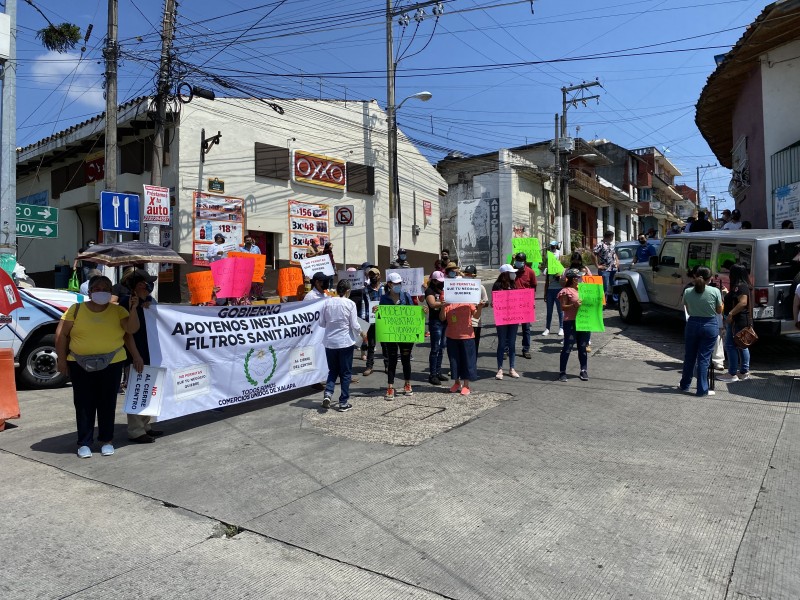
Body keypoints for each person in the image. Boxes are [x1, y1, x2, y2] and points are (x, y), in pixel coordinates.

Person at [55, 275, 140, 458]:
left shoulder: (118, 311)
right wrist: (61, 359)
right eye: (97, 288)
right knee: (84, 403)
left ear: (111, 293)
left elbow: (131, 331)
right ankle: (84, 442)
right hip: (79, 363)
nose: (101, 291)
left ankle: (106, 440)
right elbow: (61, 335)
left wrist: (133, 309)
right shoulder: (76, 309)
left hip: (113, 362)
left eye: (106, 288)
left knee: (107, 403)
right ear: (90, 291)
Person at [118, 269, 164, 443]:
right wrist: (135, 355)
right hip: (135, 354)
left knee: (150, 391)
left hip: (151, 353)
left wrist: (148, 303)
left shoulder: (149, 302)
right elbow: (127, 333)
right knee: (137, 391)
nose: (149, 287)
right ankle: (136, 430)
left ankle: (146, 426)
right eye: (146, 283)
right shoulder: (125, 302)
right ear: (138, 285)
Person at [319, 279, 368, 412]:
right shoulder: (350, 304)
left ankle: (328, 393)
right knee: (345, 373)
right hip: (345, 342)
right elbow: (354, 324)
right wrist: (362, 333)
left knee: (333, 370)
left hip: (330, 342)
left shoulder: (327, 302)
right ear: (347, 291)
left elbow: (321, 323)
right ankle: (343, 402)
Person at [679, 266, 723, 397]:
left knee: (689, 356)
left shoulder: (688, 291)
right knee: (704, 358)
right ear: (710, 278)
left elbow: (687, 307)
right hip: (709, 324)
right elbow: (719, 311)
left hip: (692, 323)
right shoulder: (715, 291)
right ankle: (702, 389)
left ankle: (685, 385)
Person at [380, 272, 417, 399]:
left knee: (406, 359)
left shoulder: (406, 296)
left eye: (400, 283)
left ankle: (407, 384)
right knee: (392, 359)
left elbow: (413, 313)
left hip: (405, 333)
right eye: (396, 283)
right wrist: (377, 311)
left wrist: (422, 311)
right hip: (390, 333)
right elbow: (381, 317)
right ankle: (390, 387)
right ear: (389, 284)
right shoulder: (384, 299)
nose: (398, 285)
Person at [718, 264, 751, 383]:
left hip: (737, 320)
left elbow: (742, 302)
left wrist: (731, 314)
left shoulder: (741, 286)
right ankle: (743, 371)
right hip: (740, 320)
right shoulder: (742, 286)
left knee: (731, 346)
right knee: (742, 345)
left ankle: (732, 373)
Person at [441, 297, 481, 396]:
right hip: (451, 336)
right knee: (454, 361)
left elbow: (476, 316)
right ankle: (457, 383)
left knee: (467, 361)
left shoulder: (467, 301)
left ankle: (466, 385)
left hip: (467, 336)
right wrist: (442, 307)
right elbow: (442, 318)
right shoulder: (448, 301)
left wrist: (480, 307)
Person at [557, 268, 589, 382]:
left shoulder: (584, 289)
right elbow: (563, 307)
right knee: (567, 347)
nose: (580, 279)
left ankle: (583, 370)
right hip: (570, 321)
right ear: (573, 279)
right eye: (578, 277)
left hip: (584, 321)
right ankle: (562, 372)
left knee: (582, 347)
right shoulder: (566, 291)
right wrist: (574, 305)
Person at [493, 264, 520, 380]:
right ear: (505, 274)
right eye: (512, 272)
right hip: (502, 319)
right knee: (502, 343)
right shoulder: (497, 285)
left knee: (512, 344)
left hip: (513, 318)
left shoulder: (514, 284)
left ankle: (512, 368)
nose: (514, 274)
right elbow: (495, 301)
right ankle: (500, 369)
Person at [512, 251, 537, 359]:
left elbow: (533, 287)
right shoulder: (511, 271)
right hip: (513, 303)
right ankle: (507, 348)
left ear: (524, 262)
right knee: (511, 327)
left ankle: (526, 349)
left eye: (521, 261)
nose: (519, 262)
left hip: (526, 303)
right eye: (517, 260)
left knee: (526, 328)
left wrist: (532, 301)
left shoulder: (530, 272)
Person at [425, 270, 447, 385]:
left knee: (442, 347)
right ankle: (432, 374)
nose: (441, 283)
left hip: (444, 320)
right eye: (439, 281)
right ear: (433, 281)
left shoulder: (443, 290)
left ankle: (438, 372)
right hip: (435, 322)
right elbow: (432, 304)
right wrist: (444, 303)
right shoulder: (430, 290)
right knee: (435, 348)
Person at [361, 267, 383, 377]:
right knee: (371, 344)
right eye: (370, 275)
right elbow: (364, 307)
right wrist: (364, 324)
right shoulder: (365, 290)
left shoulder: (385, 288)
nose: (372, 277)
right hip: (371, 320)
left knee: (386, 344)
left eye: (374, 275)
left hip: (384, 320)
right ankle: (369, 366)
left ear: (379, 276)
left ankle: (388, 365)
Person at [462, 265, 488, 352]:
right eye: (466, 274)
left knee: (474, 346)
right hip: (461, 321)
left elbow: (486, 302)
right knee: (463, 347)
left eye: (470, 274)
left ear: (474, 275)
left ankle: (473, 364)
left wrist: (479, 305)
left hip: (475, 322)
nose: (468, 276)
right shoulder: (459, 287)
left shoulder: (480, 287)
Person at [542, 241, 564, 337]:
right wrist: (545, 293)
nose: (553, 248)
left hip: (559, 289)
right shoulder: (548, 269)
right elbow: (547, 282)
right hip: (550, 290)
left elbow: (564, 282)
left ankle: (561, 327)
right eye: (551, 246)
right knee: (549, 311)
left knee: (560, 310)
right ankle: (547, 328)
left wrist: (559, 275)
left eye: (554, 246)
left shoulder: (562, 270)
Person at [592, 231, 618, 307]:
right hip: (604, 269)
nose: (612, 238)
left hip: (613, 268)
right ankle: (603, 303)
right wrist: (597, 265)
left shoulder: (612, 244)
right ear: (609, 237)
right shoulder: (600, 244)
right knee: (604, 287)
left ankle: (614, 301)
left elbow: (614, 253)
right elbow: (593, 254)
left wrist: (617, 261)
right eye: (612, 237)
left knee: (614, 285)